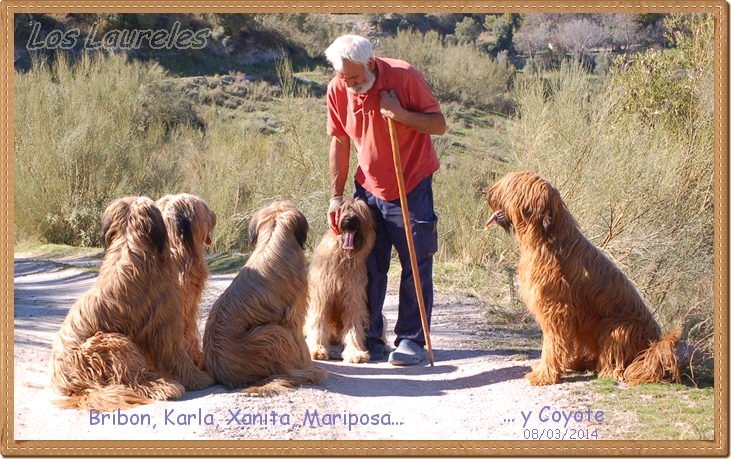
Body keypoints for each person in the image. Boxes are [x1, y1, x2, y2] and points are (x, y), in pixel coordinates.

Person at [324, 34, 446, 365]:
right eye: (343, 77)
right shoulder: (338, 87)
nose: (349, 84)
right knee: (365, 265)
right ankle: (369, 336)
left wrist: (399, 112)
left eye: (355, 77)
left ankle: (411, 341)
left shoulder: (404, 76)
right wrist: (337, 197)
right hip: (367, 191)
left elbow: (439, 125)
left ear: (371, 63)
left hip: (412, 186)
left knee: (415, 265)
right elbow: (339, 141)